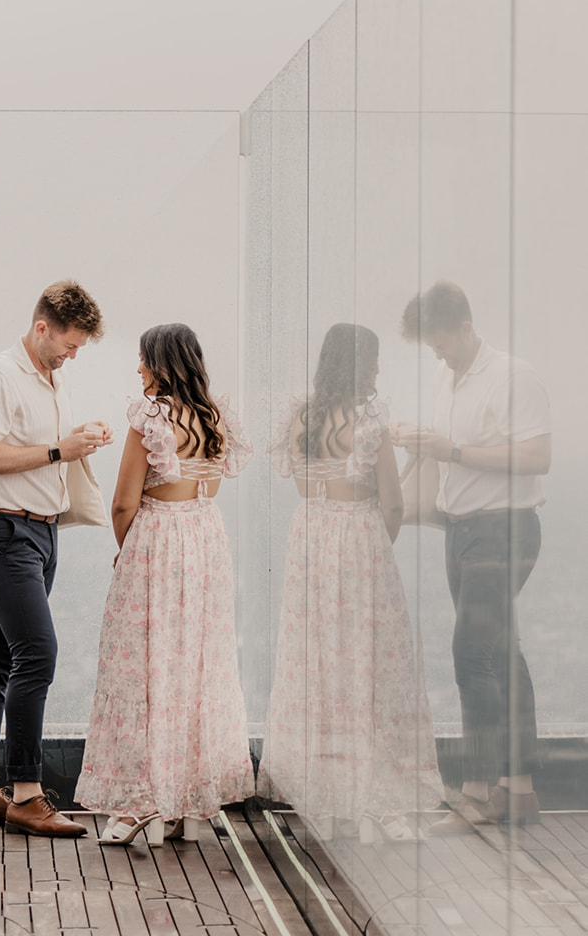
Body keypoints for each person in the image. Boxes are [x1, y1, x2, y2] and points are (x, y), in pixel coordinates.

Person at [258, 323, 442, 843]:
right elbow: (394, 501)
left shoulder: (301, 415)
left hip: (310, 538)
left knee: (316, 664)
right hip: (360, 535)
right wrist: (374, 548)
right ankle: (372, 800)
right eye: (374, 362)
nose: (379, 373)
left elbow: (302, 484)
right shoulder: (370, 420)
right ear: (360, 365)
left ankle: (326, 793)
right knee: (370, 665)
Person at [75, 323, 254, 846]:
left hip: (157, 539)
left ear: (161, 361)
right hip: (205, 541)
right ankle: (183, 799)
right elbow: (212, 483)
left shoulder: (150, 417)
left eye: (142, 359)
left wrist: (126, 550)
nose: (137, 369)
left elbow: (124, 501)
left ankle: (138, 805)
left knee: (143, 668)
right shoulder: (216, 416)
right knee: (197, 667)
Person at [0, 280, 112, 839]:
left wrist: (78, 437)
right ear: (42, 326)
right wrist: (57, 450)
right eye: (68, 345)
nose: (73, 356)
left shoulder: (54, 376)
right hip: (3, 532)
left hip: (41, 533)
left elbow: (43, 444)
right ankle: (26, 795)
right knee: (37, 655)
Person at [396, 282, 551, 828]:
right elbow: (450, 445)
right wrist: (426, 440)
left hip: (504, 530)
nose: (436, 354)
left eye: (441, 343)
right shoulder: (446, 375)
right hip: (460, 530)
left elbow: (537, 456)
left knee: (470, 656)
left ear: (464, 326)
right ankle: (519, 790)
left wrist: (452, 450)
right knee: (502, 651)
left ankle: (479, 793)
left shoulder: (514, 375)